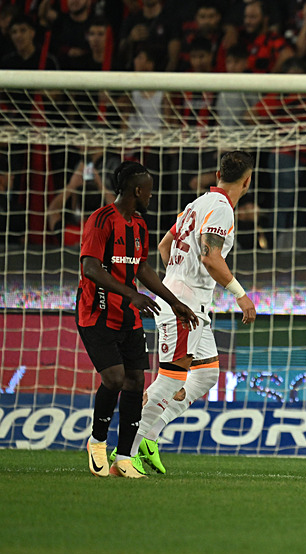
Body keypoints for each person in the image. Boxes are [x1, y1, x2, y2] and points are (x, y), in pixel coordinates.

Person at [127, 151, 257, 474]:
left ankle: (150, 436)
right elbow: (211, 257)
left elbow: (164, 245)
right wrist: (241, 295)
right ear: (248, 181)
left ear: (217, 175)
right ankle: (127, 451)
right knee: (171, 378)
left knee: (207, 373)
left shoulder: (195, 205)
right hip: (185, 306)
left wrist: (178, 277)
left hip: (187, 302)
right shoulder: (223, 210)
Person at [80, 161, 198, 478]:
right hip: (97, 312)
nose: (151, 196)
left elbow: (142, 268)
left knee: (135, 381)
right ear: (136, 190)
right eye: (148, 190)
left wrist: (174, 302)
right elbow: (90, 268)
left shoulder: (139, 225)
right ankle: (97, 443)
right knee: (115, 378)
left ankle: (125, 457)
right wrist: (130, 294)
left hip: (128, 317)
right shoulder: (101, 220)